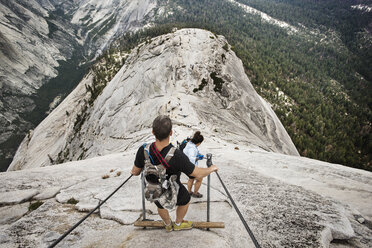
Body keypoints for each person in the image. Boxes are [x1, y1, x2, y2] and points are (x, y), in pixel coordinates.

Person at [131, 115, 218, 232]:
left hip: (153, 188)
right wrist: (211, 168)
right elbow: (197, 174)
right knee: (186, 199)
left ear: (153, 132)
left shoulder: (143, 150)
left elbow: (135, 172)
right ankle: (177, 223)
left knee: (160, 204)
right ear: (171, 133)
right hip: (173, 189)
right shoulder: (177, 155)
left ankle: (167, 224)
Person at [183, 131, 205, 198]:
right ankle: (195, 193)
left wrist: (198, 154)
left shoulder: (190, 144)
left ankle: (189, 192)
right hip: (190, 166)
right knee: (199, 179)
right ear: (199, 142)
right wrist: (197, 158)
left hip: (186, 165)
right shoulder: (192, 148)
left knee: (191, 178)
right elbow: (191, 158)